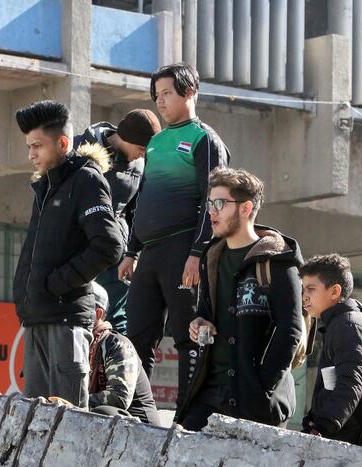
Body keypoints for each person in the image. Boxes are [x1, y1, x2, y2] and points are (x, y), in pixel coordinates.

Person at [117, 63, 230, 405]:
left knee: (187, 336)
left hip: (183, 251)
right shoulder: (156, 143)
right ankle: (137, 411)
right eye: (157, 96)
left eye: (167, 93)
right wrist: (131, 251)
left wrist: (197, 254)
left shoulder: (204, 139)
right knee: (137, 335)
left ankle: (186, 415)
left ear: (190, 92)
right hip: (149, 253)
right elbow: (144, 200)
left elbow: (213, 205)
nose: (161, 102)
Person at [13, 100, 123, 407]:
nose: (31, 154)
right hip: (36, 318)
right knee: (34, 427)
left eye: (37, 146)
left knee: (69, 422)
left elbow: (109, 245)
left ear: (63, 143)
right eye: (28, 146)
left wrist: (58, 284)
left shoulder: (86, 180)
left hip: (66, 321)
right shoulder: (46, 187)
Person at [176, 168, 303, 431]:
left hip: (255, 399)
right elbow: (205, 312)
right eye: (210, 203)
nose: (212, 211)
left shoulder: (277, 262)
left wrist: (262, 387)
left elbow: (290, 330)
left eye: (220, 203)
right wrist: (200, 322)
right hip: (210, 393)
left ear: (246, 208)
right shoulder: (211, 259)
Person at [74, 110, 162, 334]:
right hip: (80, 249)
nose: (142, 156)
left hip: (116, 252)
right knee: (80, 315)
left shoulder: (141, 165)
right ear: (126, 137)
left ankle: (118, 366)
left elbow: (136, 211)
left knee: (117, 319)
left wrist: (133, 254)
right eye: (141, 149)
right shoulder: (81, 148)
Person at [300, 254, 362, 445]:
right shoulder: (341, 324)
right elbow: (333, 385)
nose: (304, 296)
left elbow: (350, 385)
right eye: (303, 290)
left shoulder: (349, 326)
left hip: (353, 446)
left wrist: (321, 429)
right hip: (345, 440)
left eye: (311, 289)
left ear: (335, 291)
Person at [88, 282, 161, 425]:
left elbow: (119, 398)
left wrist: (74, 400)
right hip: (110, 429)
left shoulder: (117, 345)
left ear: (98, 314)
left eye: (82, 308)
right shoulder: (80, 345)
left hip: (142, 429)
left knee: (103, 413)